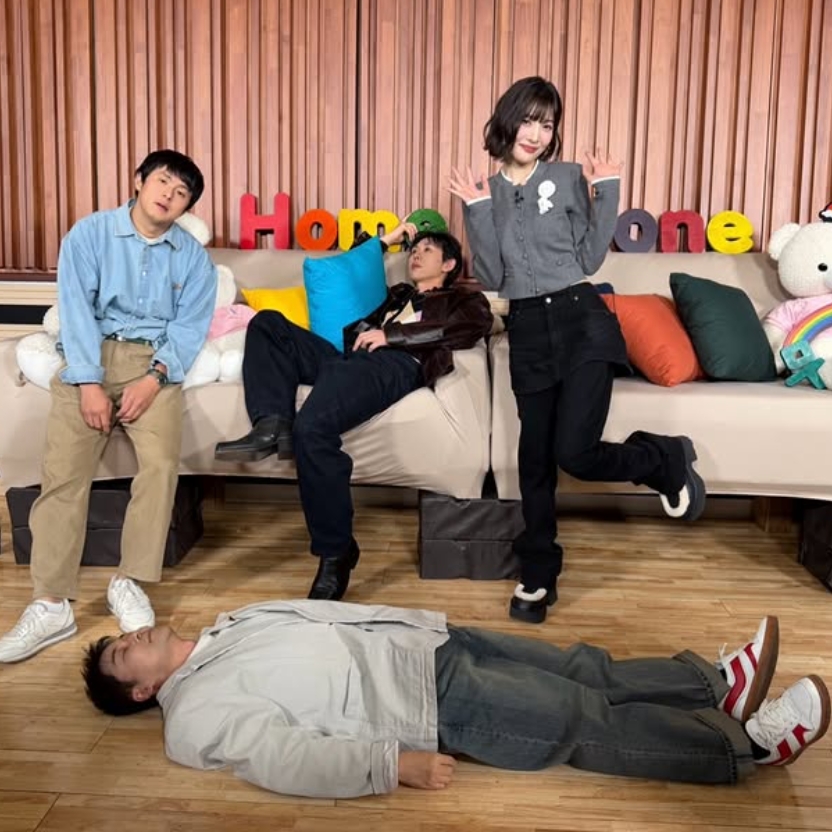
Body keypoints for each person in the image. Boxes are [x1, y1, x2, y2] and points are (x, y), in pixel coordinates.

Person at [81, 605, 829, 799]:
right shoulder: (194, 717)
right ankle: (748, 746)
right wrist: (388, 765)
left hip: (425, 644)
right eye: (122, 652)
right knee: (577, 720)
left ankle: (712, 687)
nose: (132, 636)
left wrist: (420, 624)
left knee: (578, 665)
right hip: (421, 703)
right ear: (142, 690)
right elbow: (281, 757)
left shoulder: (224, 628)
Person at [448, 76, 707, 624]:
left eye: (547, 124)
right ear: (507, 120)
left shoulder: (567, 177)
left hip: (583, 320)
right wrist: (476, 210)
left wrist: (606, 188)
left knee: (574, 452)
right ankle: (537, 574)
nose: (537, 134)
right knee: (534, 460)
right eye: (529, 120)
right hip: (527, 332)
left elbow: (590, 259)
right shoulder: (485, 192)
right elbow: (492, 276)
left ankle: (660, 459)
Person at [0, 150, 218, 664]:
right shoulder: (89, 234)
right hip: (89, 354)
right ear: (139, 181)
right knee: (63, 474)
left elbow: (188, 330)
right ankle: (51, 603)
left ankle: (130, 581)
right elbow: (75, 310)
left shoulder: (193, 259)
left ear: (186, 207)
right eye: (162, 182)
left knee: (161, 466)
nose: (168, 195)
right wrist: (88, 381)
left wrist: (155, 379)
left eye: (181, 193)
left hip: (154, 364)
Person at [213, 224, 493, 601]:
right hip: (349, 361)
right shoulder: (398, 295)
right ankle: (271, 422)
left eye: (428, 249)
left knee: (312, 429)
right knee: (267, 323)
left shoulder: (461, 299)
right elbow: (351, 271)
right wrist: (385, 241)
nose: (416, 253)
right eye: (415, 248)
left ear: (449, 264)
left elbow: (476, 326)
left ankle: (336, 552)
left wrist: (391, 336)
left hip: (396, 363)